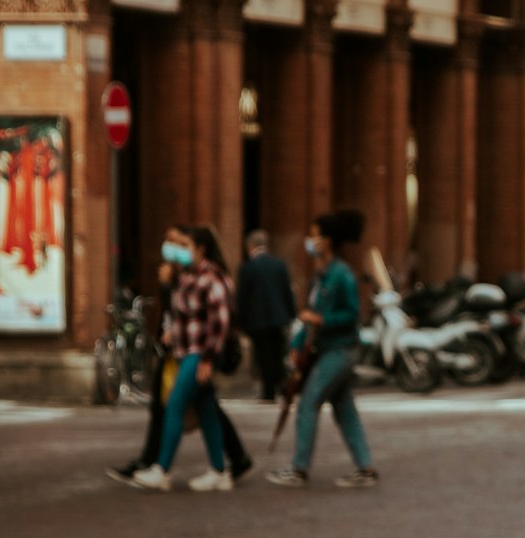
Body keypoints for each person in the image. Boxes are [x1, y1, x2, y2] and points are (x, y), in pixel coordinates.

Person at [108, 225, 251, 487]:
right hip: (185, 352)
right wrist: (170, 330)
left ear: (200, 248)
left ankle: (162, 470)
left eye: (185, 246)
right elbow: (180, 314)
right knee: (206, 409)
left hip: (200, 353)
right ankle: (219, 472)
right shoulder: (187, 277)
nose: (179, 251)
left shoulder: (213, 278)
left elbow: (219, 322)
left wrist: (208, 359)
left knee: (174, 405)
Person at [267, 208, 379, 489]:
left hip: (340, 350)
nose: (310, 241)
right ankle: (365, 468)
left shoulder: (341, 275)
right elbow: (310, 316)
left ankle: (299, 469)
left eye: (314, 236)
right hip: (328, 349)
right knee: (344, 409)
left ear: (327, 241)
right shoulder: (323, 274)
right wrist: (296, 344)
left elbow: (352, 314)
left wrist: (321, 320)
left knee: (308, 403)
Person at [234, 228, 296, 401]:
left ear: (250, 246)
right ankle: (282, 385)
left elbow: (242, 297)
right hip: (279, 317)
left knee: (263, 355)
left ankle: (270, 390)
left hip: (258, 320)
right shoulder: (279, 264)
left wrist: (240, 321)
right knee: (277, 352)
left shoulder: (247, 268)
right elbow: (287, 292)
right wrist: (291, 314)